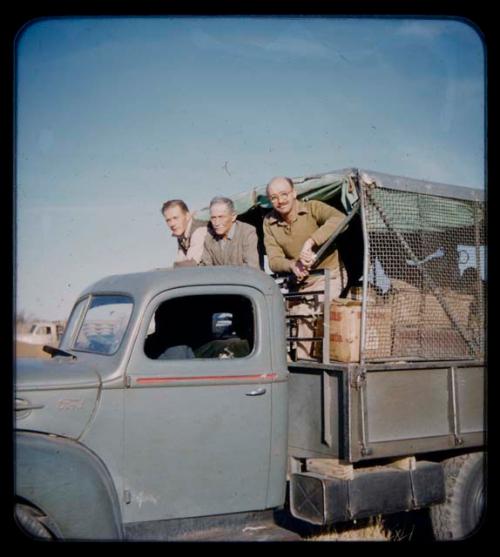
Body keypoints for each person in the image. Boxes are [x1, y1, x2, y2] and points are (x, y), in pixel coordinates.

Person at [263, 176, 347, 360]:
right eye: (274, 197)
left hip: (328, 276)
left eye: (284, 194)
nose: (280, 201)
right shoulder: (268, 222)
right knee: (275, 316)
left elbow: (341, 219)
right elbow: (274, 260)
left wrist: (311, 242)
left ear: (294, 193)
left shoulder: (313, 208)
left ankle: (303, 367)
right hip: (298, 283)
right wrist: (292, 265)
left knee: (304, 314)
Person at [200, 197, 260, 268]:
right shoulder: (209, 238)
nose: (216, 223)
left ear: (233, 216)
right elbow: (206, 268)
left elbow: (251, 267)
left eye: (221, 217)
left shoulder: (247, 232)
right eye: (213, 218)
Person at [161, 199, 207, 267]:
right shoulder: (181, 232)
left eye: (175, 218)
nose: (172, 224)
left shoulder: (198, 231)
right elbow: (180, 260)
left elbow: (190, 264)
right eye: (168, 220)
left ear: (187, 216)